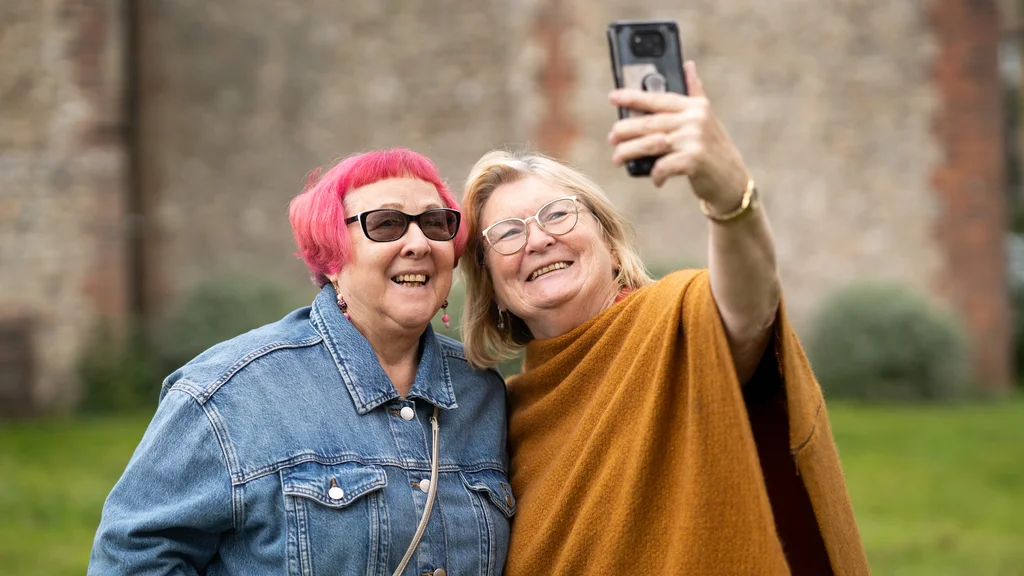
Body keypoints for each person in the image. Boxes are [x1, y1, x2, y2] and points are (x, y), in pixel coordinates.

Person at [459, 61, 870, 574]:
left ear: (610, 245)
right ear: (491, 285)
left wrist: (728, 196)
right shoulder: (502, 413)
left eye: (558, 214)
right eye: (508, 233)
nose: (539, 239)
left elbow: (748, 310)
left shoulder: (676, 318)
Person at [89, 148, 514, 576]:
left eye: (435, 223)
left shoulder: (482, 392)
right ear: (332, 258)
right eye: (387, 224)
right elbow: (132, 559)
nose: (419, 244)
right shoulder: (226, 394)